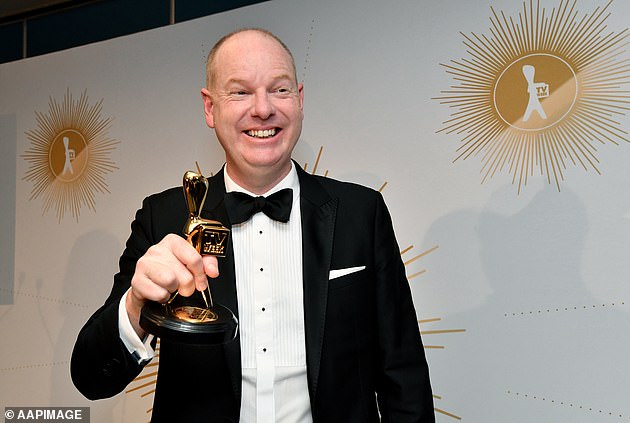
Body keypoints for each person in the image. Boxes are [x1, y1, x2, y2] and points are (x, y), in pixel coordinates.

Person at [71, 28, 435, 422]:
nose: (262, 109)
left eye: (279, 90)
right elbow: (92, 378)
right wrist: (136, 304)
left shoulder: (361, 212)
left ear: (299, 99)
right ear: (210, 108)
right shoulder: (164, 219)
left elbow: (404, 377)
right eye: (240, 92)